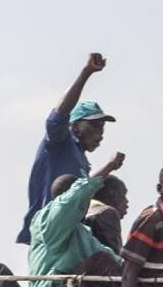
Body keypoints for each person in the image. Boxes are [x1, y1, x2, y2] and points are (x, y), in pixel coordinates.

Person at [20, 52, 115, 245]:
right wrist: (86, 73)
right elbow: (60, 112)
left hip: (70, 232)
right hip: (50, 231)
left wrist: (110, 167)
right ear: (75, 125)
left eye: (102, 127)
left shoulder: (80, 159)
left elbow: (83, 189)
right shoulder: (59, 142)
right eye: (95, 126)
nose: (101, 134)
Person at [27, 154, 128, 287]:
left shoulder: (81, 233)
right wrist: (109, 166)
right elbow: (76, 195)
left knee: (107, 259)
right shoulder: (49, 221)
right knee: (101, 260)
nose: (87, 204)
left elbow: (109, 255)